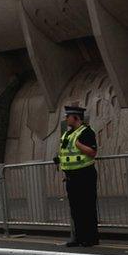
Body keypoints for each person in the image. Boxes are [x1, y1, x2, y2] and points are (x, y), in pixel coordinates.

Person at [53, 105, 99, 247]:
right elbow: (67, 153)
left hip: (85, 174)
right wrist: (59, 159)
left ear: (76, 117)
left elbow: (92, 152)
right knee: (76, 209)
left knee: (87, 207)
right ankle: (78, 237)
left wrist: (80, 146)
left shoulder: (86, 132)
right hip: (71, 176)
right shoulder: (67, 134)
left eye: (68, 117)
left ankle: (90, 238)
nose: (66, 119)